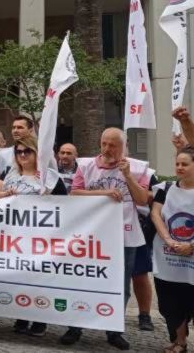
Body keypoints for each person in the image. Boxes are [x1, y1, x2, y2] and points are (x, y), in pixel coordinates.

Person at [59, 127, 151, 350]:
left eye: (113, 145)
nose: (107, 149)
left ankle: (114, 330)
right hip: (91, 236)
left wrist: (128, 175)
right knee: (83, 280)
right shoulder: (86, 165)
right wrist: (103, 193)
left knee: (121, 284)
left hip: (124, 236)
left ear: (124, 147)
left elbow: (142, 200)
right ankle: (75, 326)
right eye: (104, 144)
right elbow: (75, 193)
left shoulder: (139, 168)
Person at [0, 135, 65, 337]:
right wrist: (7, 195)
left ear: (36, 153)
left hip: (42, 239)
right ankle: (22, 316)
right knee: (20, 277)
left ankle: (40, 320)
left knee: (39, 279)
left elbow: (66, 207)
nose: (22, 155)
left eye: (27, 151)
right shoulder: (10, 173)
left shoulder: (50, 177)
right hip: (15, 239)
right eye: (18, 152)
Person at [150, 147, 194, 353]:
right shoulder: (165, 188)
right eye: (177, 163)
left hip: (191, 257)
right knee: (170, 304)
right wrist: (168, 239)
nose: (179, 167)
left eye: (185, 164)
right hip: (168, 258)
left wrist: (191, 246)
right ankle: (180, 342)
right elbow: (156, 214)